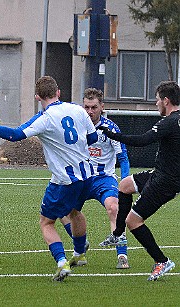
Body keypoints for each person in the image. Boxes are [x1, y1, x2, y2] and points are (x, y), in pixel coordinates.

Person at [0, 76, 98, 281]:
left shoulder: (45, 118)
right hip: (86, 175)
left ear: (37, 97)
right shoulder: (78, 109)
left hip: (64, 179)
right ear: (58, 93)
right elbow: (92, 138)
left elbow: (14, 135)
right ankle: (80, 253)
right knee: (74, 212)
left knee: (46, 222)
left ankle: (61, 263)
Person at [98, 80, 180, 281]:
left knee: (133, 221)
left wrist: (113, 135)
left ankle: (161, 261)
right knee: (124, 185)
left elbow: (142, 141)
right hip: (161, 173)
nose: (156, 104)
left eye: (157, 100)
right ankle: (117, 234)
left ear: (166, 100)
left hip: (166, 182)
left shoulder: (169, 122)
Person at [60, 88, 130, 269]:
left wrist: (124, 182)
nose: (90, 111)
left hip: (103, 179)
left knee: (114, 207)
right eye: (86, 107)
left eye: (94, 107)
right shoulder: (77, 127)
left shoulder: (110, 128)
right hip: (81, 178)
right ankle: (81, 243)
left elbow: (122, 157)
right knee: (61, 210)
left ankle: (122, 255)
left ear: (102, 107)